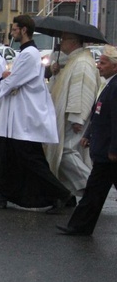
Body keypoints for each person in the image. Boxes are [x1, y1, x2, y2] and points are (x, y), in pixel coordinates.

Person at [0, 15, 71, 211]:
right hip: (15, 117)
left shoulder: (30, 54)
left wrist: (4, 79)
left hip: (24, 118)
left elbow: (14, 81)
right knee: (7, 157)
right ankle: (0, 195)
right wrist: (8, 79)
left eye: (14, 29)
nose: (12, 32)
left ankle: (63, 195)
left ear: (24, 30)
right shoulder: (25, 53)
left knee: (31, 160)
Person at [57, 46, 117, 236]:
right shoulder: (108, 84)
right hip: (103, 150)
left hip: (109, 152)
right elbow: (98, 112)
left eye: (103, 63)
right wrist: (88, 134)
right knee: (94, 191)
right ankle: (80, 226)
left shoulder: (115, 87)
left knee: (94, 190)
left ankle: (79, 225)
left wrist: (114, 148)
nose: (98, 66)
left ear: (115, 67)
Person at [43, 33, 100, 201]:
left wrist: (77, 117)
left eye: (65, 40)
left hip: (72, 119)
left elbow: (81, 90)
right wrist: (55, 71)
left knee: (66, 152)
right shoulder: (74, 59)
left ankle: (91, 187)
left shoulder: (82, 62)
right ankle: (67, 194)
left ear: (74, 42)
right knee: (64, 153)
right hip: (65, 117)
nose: (62, 43)